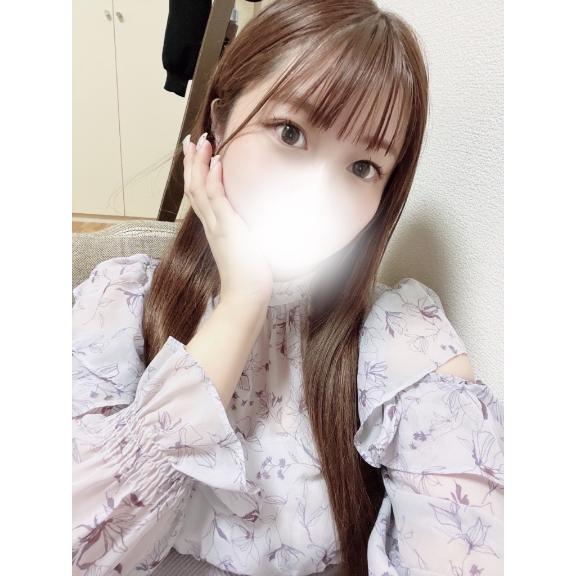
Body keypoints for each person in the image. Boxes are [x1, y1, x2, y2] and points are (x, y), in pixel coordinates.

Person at [72, 1, 504, 575]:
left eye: (363, 167)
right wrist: (241, 305)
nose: (317, 194)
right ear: (220, 120)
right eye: (290, 132)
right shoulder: (119, 301)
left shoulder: (402, 338)